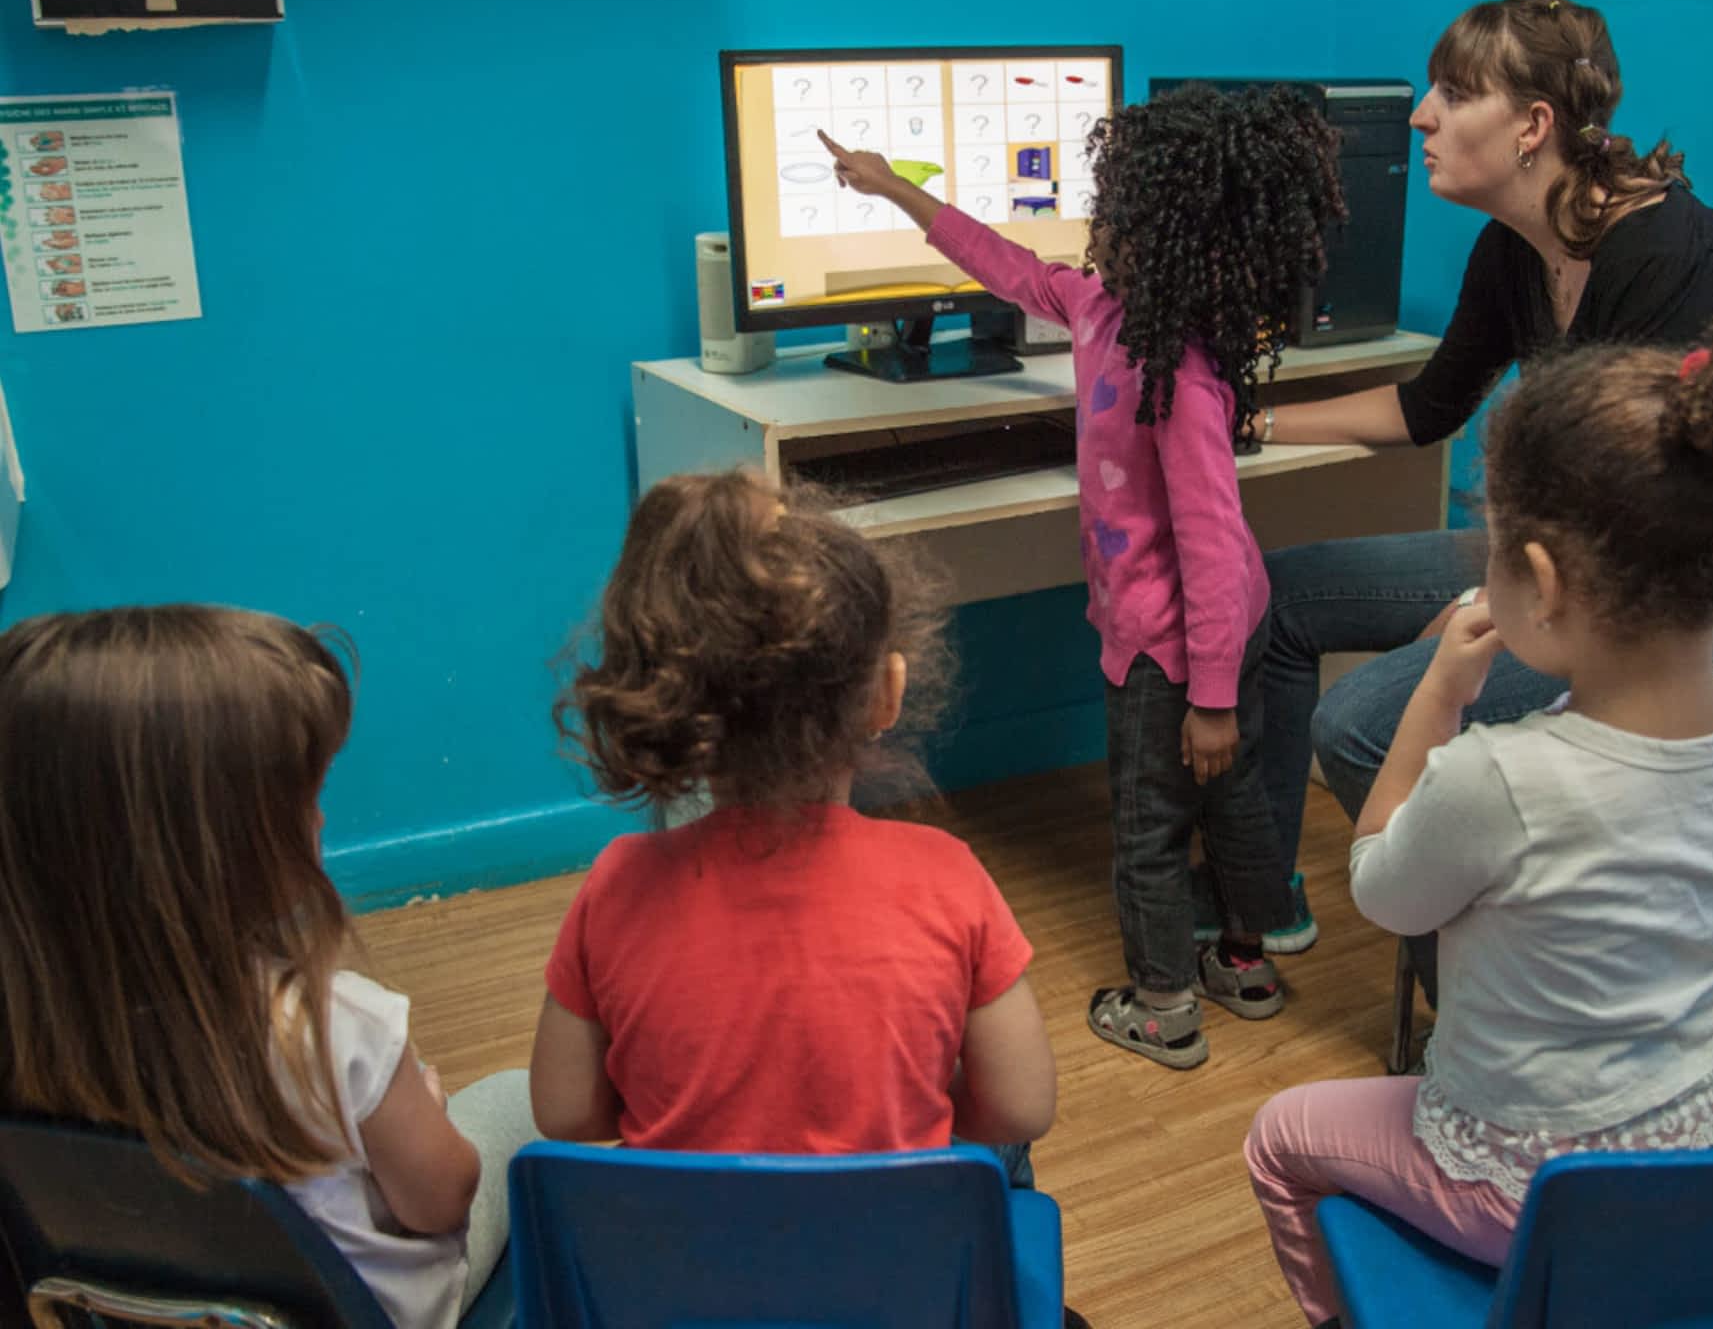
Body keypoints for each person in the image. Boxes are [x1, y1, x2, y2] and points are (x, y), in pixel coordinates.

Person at [1242, 317, 1713, 1326]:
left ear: (1544, 583)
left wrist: (1434, 697)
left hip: (1514, 1185)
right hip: (1697, 1157)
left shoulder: (1502, 777)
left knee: (1279, 1136)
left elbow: (1382, 889)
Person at [1244, 0, 1713, 977]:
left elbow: (1636, 521)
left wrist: (1470, 610)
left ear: (1531, 126)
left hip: (1675, 616)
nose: (1419, 115)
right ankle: (1262, 897)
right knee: (1274, 597)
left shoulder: (1671, 261)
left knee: (1363, 722)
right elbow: (1430, 405)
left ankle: (1474, 1003)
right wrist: (1246, 424)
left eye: (1451, 95)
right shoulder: (1515, 244)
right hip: (1558, 567)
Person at [819, 81, 1346, 1069]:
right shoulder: (1099, 306)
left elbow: (1207, 541)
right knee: (1229, 806)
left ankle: (1162, 1007)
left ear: (1162, 228)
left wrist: (1213, 697)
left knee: (1149, 826)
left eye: (1114, 203)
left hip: (1176, 648)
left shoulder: (1179, 375)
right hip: (1183, 637)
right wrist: (897, 190)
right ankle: (1243, 961)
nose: (1097, 217)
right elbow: (1005, 265)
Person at [0, 606, 533, 1329]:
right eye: (301, 799)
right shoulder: (332, 1024)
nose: (318, 820)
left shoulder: (30, 1022)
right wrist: (428, 1114)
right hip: (366, 1314)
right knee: (520, 1095)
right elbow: (441, 1202)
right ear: (209, 849)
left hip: (147, 1308)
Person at [530, 470, 1058, 1173]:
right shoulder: (948, 879)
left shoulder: (618, 886)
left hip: (685, 1269)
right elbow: (1022, 1106)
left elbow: (563, 1111)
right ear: (887, 695)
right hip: (899, 1265)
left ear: (681, 714)